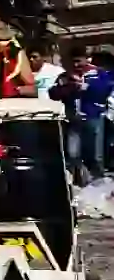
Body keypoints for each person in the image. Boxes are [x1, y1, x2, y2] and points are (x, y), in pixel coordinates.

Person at [50, 47, 114, 185]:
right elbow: (53, 93)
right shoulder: (65, 76)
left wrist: (88, 88)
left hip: (94, 118)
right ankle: (79, 183)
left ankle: (99, 185)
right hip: (73, 120)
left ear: (86, 59)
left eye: (78, 61)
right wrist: (67, 87)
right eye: (73, 62)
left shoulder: (98, 73)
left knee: (96, 156)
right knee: (73, 154)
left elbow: (106, 90)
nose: (76, 65)